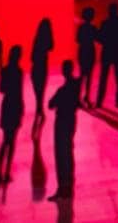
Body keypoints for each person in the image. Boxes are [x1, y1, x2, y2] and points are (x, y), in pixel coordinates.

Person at [47, 60, 80, 201]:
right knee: (68, 153)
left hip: (62, 123)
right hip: (71, 121)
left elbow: (50, 104)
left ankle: (63, 188)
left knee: (61, 156)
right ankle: (68, 186)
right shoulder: (76, 85)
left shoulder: (62, 90)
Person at [0, 45, 24, 184]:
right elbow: (19, 92)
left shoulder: (5, 71)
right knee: (11, 142)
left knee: (5, 140)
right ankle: (6, 172)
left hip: (7, 105)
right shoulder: (18, 72)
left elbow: (1, 89)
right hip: (14, 105)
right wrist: (21, 108)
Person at [96, 3, 118, 108]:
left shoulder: (105, 23)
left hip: (107, 51)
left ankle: (99, 101)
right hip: (117, 51)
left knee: (103, 77)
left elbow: (99, 38)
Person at [31, 18, 54, 118]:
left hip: (36, 66)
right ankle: (39, 106)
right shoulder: (47, 40)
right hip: (43, 65)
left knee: (37, 87)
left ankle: (38, 106)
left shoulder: (37, 39)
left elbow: (32, 56)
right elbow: (52, 47)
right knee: (41, 87)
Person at [76, 7, 98, 108]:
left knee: (82, 76)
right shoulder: (92, 28)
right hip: (90, 52)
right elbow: (98, 38)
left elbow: (77, 40)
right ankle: (86, 97)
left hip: (82, 52)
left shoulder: (81, 28)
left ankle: (79, 97)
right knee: (89, 76)